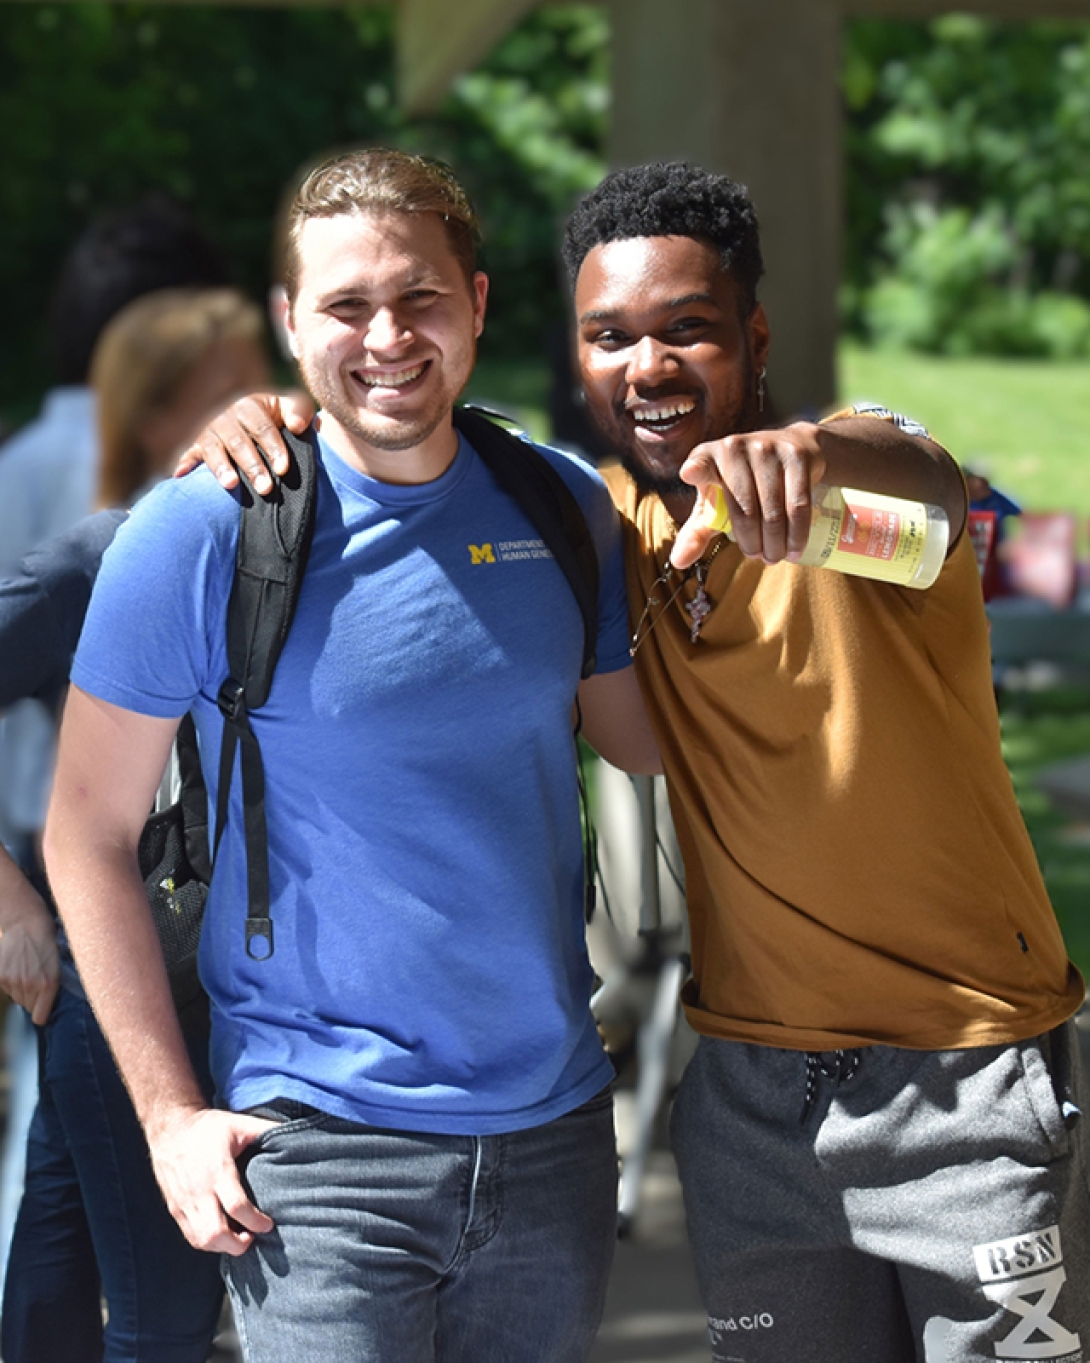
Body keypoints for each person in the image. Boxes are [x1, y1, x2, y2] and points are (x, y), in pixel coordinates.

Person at [199, 160, 1089, 1363]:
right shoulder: (592, 530)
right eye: (609, 336)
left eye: (688, 330)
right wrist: (272, 416)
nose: (648, 366)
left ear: (755, 334)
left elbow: (926, 488)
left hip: (967, 1080)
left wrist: (831, 457)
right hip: (753, 1103)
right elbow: (409, 449)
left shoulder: (847, 514)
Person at [43, 149, 659, 1363]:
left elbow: (650, 743)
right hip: (319, 1149)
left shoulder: (562, 509)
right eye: (345, 305)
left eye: (421, 297)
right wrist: (171, 1120)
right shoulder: (207, 528)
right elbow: (86, 831)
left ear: (476, 305)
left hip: (552, 1140)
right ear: (288, 322)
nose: (388, 335)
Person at [0, 286, 269, 1363]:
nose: (275, 405)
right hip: (124, 987)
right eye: (233, 389)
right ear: (160, 420)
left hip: (178, 989)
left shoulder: (282, 545)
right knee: (163, 1322)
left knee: (53, 1284)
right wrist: (10, 901)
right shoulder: (98, 558)